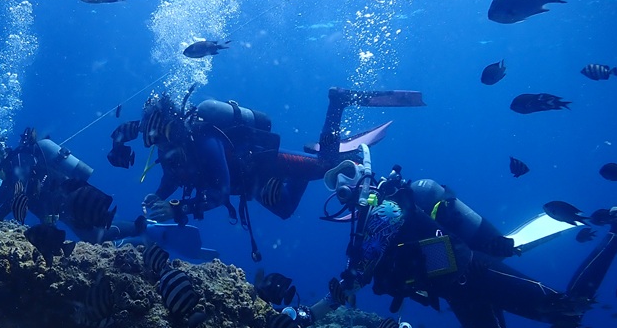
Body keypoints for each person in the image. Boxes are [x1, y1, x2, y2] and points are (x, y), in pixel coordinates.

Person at [315, 145, 617, 328]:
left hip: (472, 270)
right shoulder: (367, 229)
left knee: (566, 311)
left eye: (348, 177)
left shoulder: (387, 209)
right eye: (336, 184)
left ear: (365, 173)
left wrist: (310, 314)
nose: (344, 189)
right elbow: (363, 275)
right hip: (455, 289)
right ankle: (502, 292)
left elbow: (359, 275)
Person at [107, 87, 425, 260]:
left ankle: (337, 102)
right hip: (250, 186)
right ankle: (313, 162)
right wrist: (146, 213)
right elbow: (170, 182)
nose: (160, 146)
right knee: (285, 209)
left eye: (162, 135)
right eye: (154, 140)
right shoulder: (170, 151)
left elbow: (220, 192)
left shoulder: (203, 140)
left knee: (326, 167)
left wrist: (178, 208)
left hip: (262, 164)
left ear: (173, 125)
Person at [0, 128, 143, 245]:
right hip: (62, 206)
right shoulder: (14, 165)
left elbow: (10, 197)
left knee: (94, 234)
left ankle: (140, 227)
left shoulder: (19, 161)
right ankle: (138, 229)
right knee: (93, 234)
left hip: (68, 199)